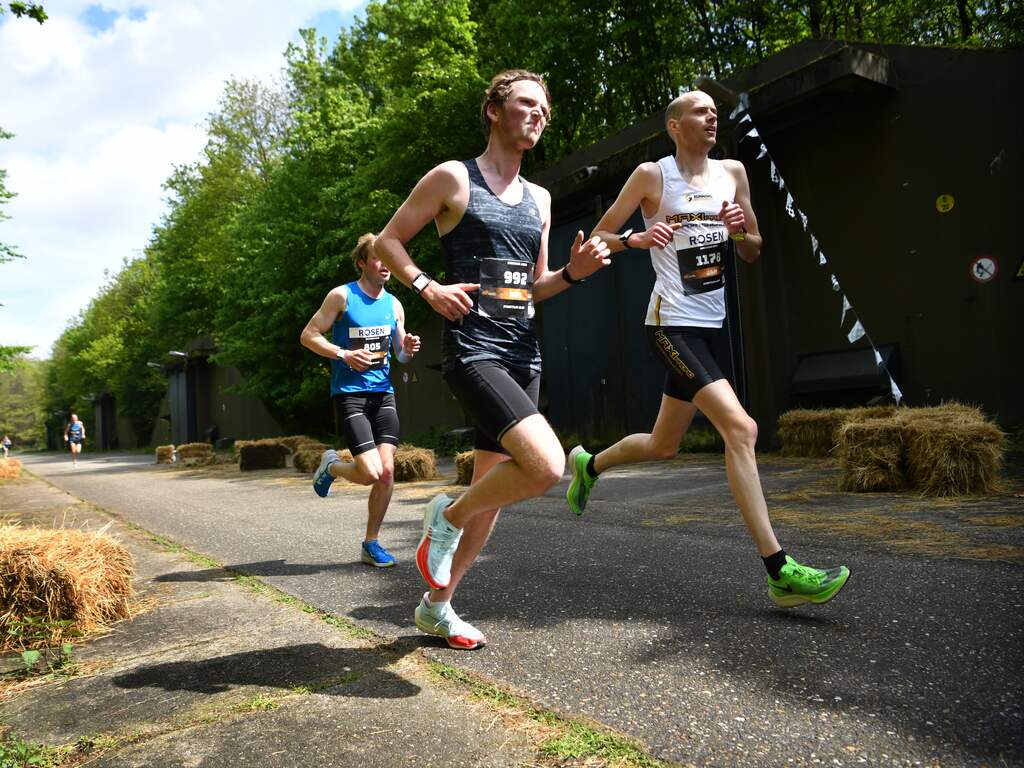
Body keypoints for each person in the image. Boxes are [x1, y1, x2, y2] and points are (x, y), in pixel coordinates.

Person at [565, 90, 850, 608]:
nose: (712, 115)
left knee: (662, 445)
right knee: (741, 429)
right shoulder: (653, 176)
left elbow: (754, 250)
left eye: (715, 110)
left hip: (712, 324)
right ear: (674, 126)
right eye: (700, 110)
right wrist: (636, 240)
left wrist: (742, 234)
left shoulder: (734, 173)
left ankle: (588, 465)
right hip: (669, 324)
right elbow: (603, 235)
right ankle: (779, 569)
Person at [376, 69, 611, 649]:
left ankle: (438, 606)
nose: (538, 115)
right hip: (472, 347)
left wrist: (573, 275)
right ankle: (444, 519)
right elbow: (388, 242)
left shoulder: (542, 199)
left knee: (494, 490)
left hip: (521, 352)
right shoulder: (454, 179)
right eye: (527, 104)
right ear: (494, 110)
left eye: (544, 110)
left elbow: (535, 286)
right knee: (546, 465)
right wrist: (428, 287)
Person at [301, 233, 421, 568]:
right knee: (369, 473)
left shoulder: (394, 304)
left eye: (389, 259)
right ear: (362, 263)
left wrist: (406, 349)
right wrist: (342, 354)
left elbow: (398, 353)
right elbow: (308, 335)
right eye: (379, 258)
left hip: (383, 395)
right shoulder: (341, 297)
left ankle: (371, 543)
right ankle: (332, 466)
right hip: (350, 396)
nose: (386, 265)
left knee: (386, 473)